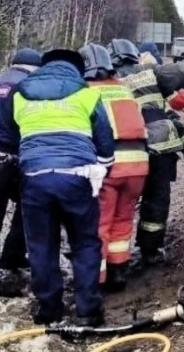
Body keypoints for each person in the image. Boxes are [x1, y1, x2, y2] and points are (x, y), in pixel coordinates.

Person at [13, 48, 115, 326]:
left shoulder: (20, 93)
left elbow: (12, 137)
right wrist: (103, 171)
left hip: (34, 176)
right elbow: (105, 141)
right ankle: (88, 311)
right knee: (84, 242)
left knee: (41, 245)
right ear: (77, 69)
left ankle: (49, 309)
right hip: (77, 176)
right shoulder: (87, 93)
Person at [109, 39, 184, 267]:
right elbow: (177, 76)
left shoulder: (106, 82)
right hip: (161, 147)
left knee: (119, 203)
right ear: (134, 55)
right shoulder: (150, 71)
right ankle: (150, 251)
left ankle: (112, 256)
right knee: (157, 200)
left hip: (125, 150)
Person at [80, 44, 149, 292]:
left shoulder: (85, 91)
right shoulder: (123, 88)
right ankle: (118, 272)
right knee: (123, 219)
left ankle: (96, 279)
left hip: (110, 164)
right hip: (139, 164)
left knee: (100, 223)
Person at [0, 48, 42, 296]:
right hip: (15, 156)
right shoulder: (29, 86)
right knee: (29, 207)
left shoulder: (1, 77)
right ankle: (11, 260)